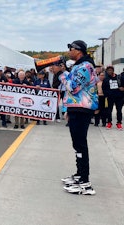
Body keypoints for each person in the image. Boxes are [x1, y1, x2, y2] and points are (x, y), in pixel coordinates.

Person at [61, 40, 98, 195]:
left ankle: (85, 182)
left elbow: (73, 87)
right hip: (76, 108)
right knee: (77, 144)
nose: (69, 51)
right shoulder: (78, 66)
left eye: (71, 48)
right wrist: (67, 108)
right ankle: (79, 174)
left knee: (81, 144)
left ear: (79, 51)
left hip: (83, 109)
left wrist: (61, 73)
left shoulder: (86, 67)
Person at [102, 65, 124, 130]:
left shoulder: (119, 77)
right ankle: (109, 123)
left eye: (110, 70)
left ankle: (119, 123)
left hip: (119, 97)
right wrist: (107, 94)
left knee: (119, 110)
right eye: (108, 70)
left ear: (113, 71)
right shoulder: (106, 79)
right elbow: (103, 88)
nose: (109, 71)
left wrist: (122, 89)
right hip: (110, 97)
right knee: (109, 110)